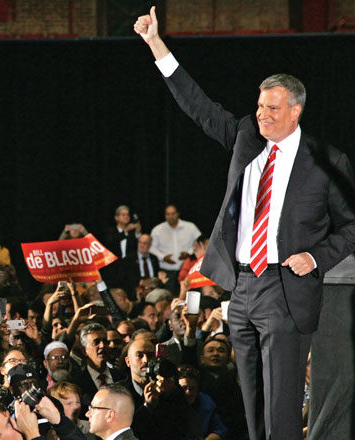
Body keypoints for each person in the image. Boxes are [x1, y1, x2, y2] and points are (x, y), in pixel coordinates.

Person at [135, 8, 355, 439]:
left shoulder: (328, 162)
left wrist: (316, 256)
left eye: (272, 108)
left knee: (281, 404)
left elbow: (351, 226)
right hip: (241, 286)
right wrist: (156, 45)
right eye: (259, 106)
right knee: (253, 402)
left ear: (296, 111)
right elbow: (197, 106)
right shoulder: (245, 136)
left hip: (286, 289)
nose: (262, 115)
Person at [149, 205, 201, 294]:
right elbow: (151, 248)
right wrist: (163, 257)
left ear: (178, 214)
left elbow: (200, 243)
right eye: (168, 214)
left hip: (187, 270)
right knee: (168, 296)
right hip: (167, 271)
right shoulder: (157, 230)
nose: (171, 216)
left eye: (173, 214)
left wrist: (189, 253)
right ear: (165, 215)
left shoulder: (190, 227)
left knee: (189, 295)